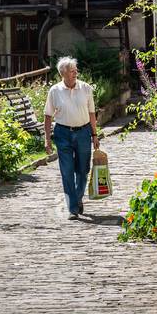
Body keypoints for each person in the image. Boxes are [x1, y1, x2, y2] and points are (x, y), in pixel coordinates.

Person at [43, 55, 99, 219]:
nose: (76, 73)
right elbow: (47, 116)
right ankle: (73, 208)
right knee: (67, 171)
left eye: (76, 70)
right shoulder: (55, 91)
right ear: (63, 74)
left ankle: (77, 197)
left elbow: (92, 113)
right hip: (63, 133)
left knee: (83, 170)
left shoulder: (86, 88)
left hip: (83, 132)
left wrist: (94, 135)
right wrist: (47, 139)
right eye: (72, 71)